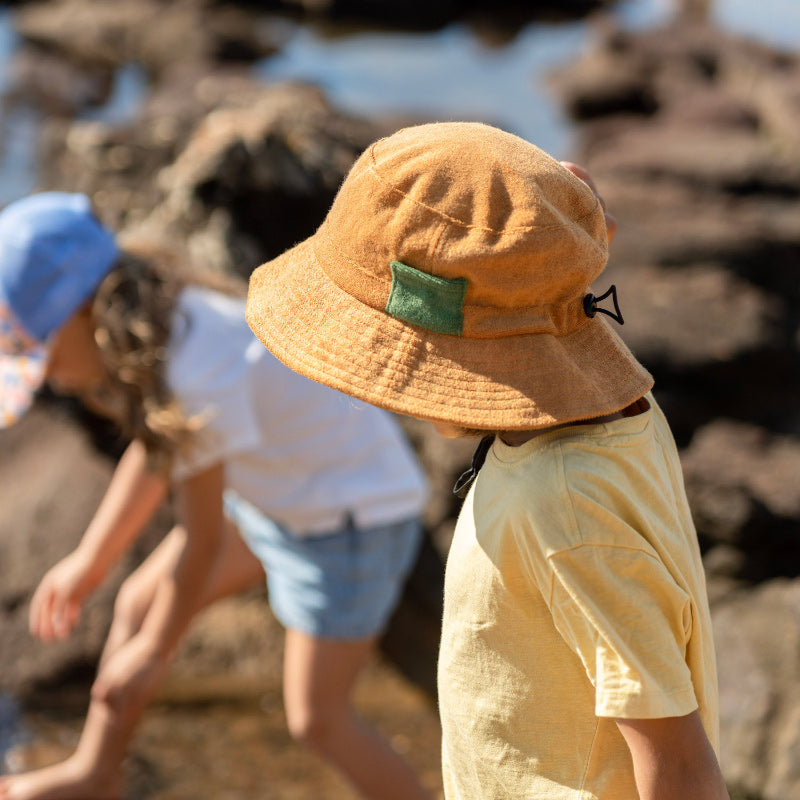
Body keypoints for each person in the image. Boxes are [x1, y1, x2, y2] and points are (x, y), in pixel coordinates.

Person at [243, 121, 731, 800]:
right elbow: (570, 219)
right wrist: (565, 215)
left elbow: (678, 766)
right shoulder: (613, 417)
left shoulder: (565, 505)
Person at [0, 192, 430, 800]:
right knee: (136, 603)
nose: (45, 376)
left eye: (41, 351)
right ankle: (96, 773)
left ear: (85, 311)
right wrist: (90, 561)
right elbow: (160, 448)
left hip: (348, 521)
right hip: (281, 496)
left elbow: (200, 544)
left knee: (318, 720)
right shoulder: (163, 329)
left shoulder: (196, 370)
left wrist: (154, 654)